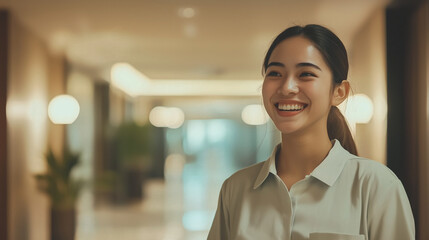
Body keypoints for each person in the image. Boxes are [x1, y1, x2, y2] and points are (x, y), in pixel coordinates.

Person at [207, 24, 415, 240]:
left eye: (305, 74)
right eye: (275, 73)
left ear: (338, 92)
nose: (287, 87)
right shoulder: (236, 189)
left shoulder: (376, 185)